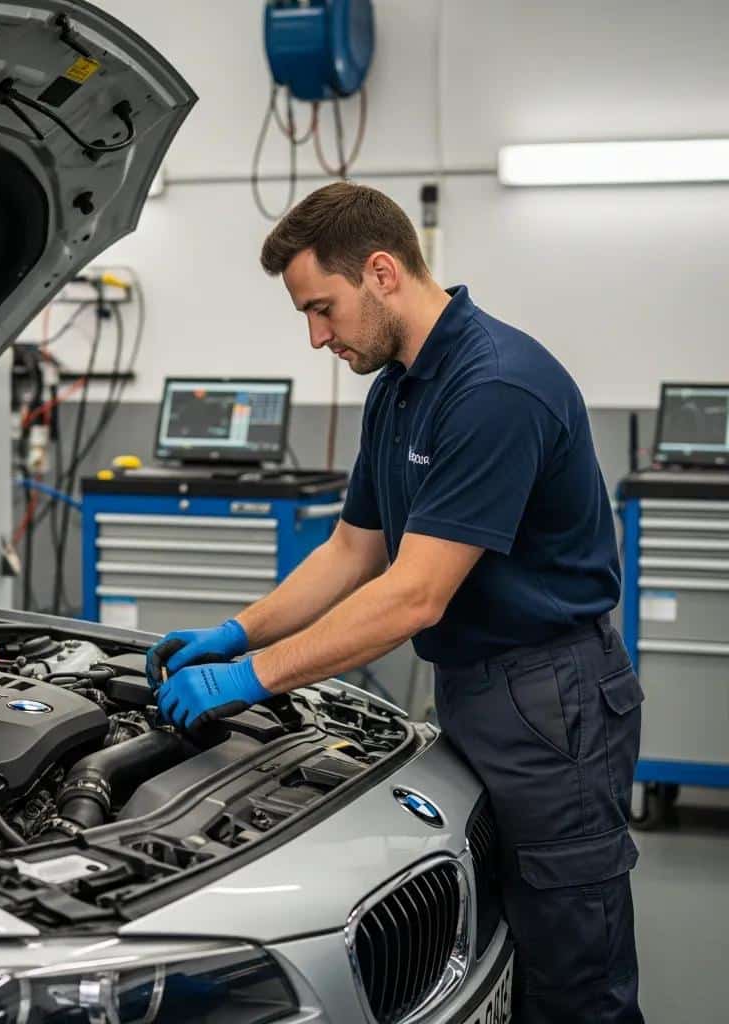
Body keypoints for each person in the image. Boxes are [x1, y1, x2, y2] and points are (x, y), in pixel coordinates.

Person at [146, 182, 645, 1024]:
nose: (316, 338)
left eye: (322, 310)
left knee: (574, 973)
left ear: (381, 272)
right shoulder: (401, 386)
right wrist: (236, 634)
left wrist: (253, 678)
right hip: (479, 688)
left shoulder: (493, 388)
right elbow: (353, 550)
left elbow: (413, 595)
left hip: (552, 698)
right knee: (496, 942)